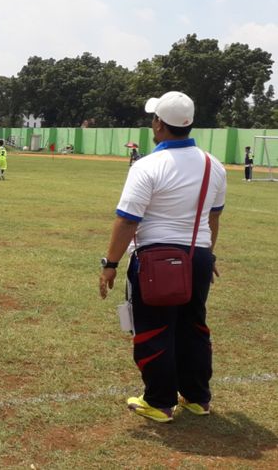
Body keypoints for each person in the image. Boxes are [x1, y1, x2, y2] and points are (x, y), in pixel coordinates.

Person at [98, 91, 227, 423]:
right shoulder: (214, 165)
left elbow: (127, 220)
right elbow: (213, 219)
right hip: (197, 257)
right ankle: (198, 397)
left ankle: (159, 401)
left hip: (156, 260)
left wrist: (110, 264)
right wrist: (208, 256)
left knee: (155, 330)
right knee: (194, 327)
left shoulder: (148, 166)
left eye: (153, 118)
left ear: (159, 124)